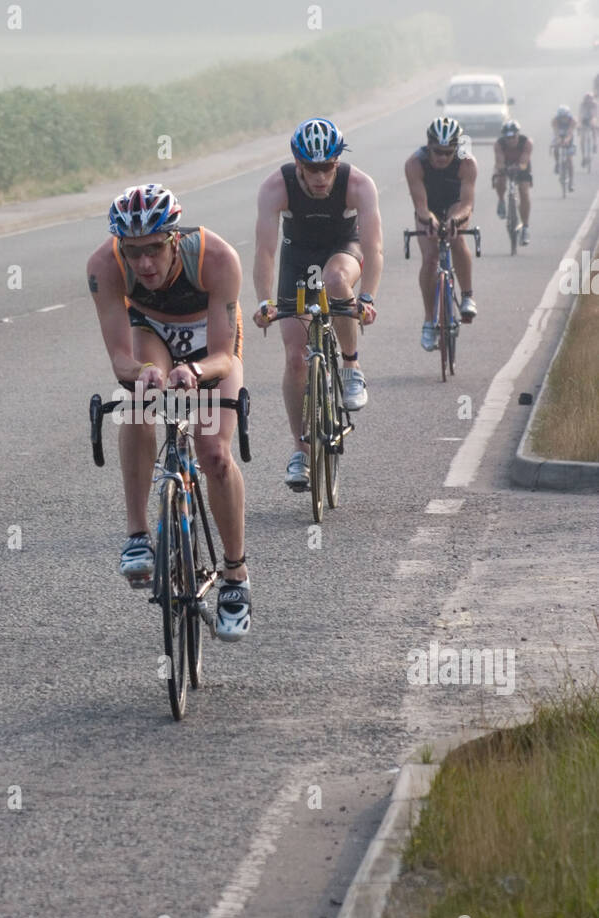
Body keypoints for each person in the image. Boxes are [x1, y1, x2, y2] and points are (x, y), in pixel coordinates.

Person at [86, 183, 251, 640]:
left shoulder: (217, 258)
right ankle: (138, 535)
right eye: (133, 251)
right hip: (151, 330)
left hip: (209, 340)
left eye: (154, 249)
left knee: (214, 452)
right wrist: (144, 372)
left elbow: (223, 355)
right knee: (138, 399)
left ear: (175, 239)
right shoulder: (104, 265)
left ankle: (235, 576)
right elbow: (120, 358)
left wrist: (194, 370)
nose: (144, 263)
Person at [251, 117, 381, 492]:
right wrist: (264, 302)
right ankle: (301, 451)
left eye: (328, 167)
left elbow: (373, 248)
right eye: (313, 169)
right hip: (298, 256)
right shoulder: (276, 186)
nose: (322, 177)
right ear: (298, 163)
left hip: (344, 248)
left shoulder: (358, 184)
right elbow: (265, 251)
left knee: (336, 280)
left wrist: (367, 298)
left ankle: (351, 366)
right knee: (295, 357)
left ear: (338, 162)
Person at [405, 117, 477, 352]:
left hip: (455, 206)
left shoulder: (467, 163)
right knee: (430, 258)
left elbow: (466, 204)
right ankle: (429, 321)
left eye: (448, 152)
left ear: (456, 148)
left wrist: (455, 220)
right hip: (429, 207)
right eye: (437, 151)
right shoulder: (415, 163)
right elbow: (420, 205)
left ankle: (467, 296)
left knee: (457, 238)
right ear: (429, 146)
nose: (442, 157)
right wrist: (429, 220)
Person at [492, 120, 533, 244]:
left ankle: (525, 227)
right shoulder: (499, 144)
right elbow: (499, 161)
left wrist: (519, 167)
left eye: (513, 137)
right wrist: (501, 169)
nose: (510, 140)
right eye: (507, 138)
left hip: (522, 166)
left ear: (518, 135)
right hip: (506, 164)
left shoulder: (526, 142)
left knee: (524, 192)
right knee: (500, 178)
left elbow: (525, 161)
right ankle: (501, 201)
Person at [551, 105, 576, 189]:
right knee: (556, 147)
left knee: (570, 160)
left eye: (565, 117)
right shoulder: (555, 120)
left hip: (569, 137)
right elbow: (556, 132)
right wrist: (558, 140)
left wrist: (567, 140)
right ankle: (557, 163)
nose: (563, 119)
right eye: (561, 117)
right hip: (559, 135)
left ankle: (571, 182)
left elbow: (570, 132)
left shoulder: (572, 120)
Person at [578, 91, 598, 162]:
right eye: (587, 98)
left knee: (594, 125)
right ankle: (584, 157)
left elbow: (595, 115)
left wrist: (594, 122)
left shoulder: (594, 104)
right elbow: (580, 115)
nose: (588, 100)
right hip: (584, 120)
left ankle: (595, 144)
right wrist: (579, 125)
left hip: (592, 119)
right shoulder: (582, 104)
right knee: (582, 140)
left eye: (590, 99)